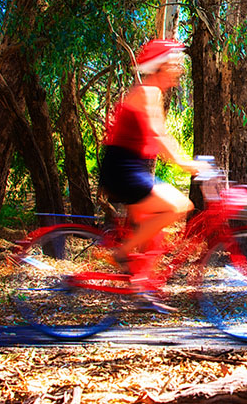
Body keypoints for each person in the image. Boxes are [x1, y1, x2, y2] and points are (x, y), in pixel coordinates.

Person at [99, 39, 207, 309]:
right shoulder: (148, 92)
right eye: (173, 63)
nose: (178, 69)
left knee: (153, 235)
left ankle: (142, 288)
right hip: (124, 168)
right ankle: (121, 254)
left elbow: (160, 137)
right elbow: (159, 137)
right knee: (180, 206)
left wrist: (187, 161)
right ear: (160, 66)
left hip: (129, 166)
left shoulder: (151, 92)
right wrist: (186, 164)